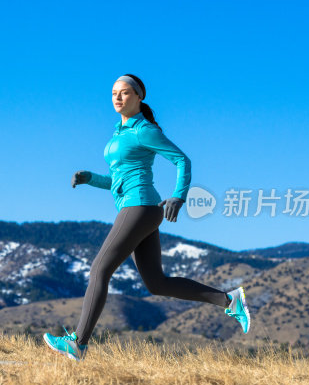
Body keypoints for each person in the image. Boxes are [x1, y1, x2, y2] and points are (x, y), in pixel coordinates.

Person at [43, 74, 250, 361]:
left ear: (139, 97)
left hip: (138, 208)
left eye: (125, 93)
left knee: (99, 270)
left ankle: (78, 342)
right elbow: (117, 179)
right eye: (114, 93)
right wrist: (90, 178)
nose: (118, 98)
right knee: (157, 283)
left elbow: (182, 160)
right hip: (142, 208)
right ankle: (229, 300)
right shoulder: (120, 132)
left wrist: (179, 195)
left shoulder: (144, 130)